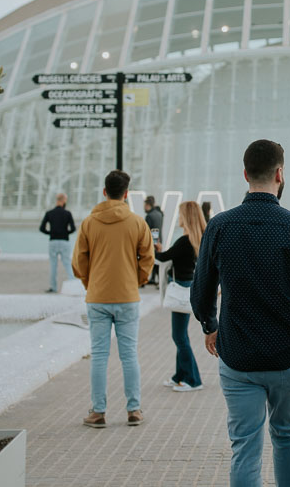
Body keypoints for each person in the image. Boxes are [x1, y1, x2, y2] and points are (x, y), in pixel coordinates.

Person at [191, 139, 290, 487]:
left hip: (238, 357)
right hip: (288, 357)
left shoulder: (219, 226)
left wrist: (209, 325)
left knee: (245, 446)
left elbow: (200, 293)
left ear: (245, 174)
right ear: (280, 174)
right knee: (287, 436)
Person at [71, 170, 155, 428]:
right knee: (129, 355)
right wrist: (136, 280)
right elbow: (148, 259)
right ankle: (134, 410)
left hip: (97, 296)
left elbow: (79, 261)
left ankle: (98, 412)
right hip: (128, 296)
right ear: (126, 194)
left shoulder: (89, 223)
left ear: (105, 192)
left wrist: (90, 282)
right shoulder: (137, 223)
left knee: (98, 355)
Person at [154, 201, 206, 391]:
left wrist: (154, 250)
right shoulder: (196, 239)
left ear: (186, 217)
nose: (178, 218)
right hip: (188, 286)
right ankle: (179, 375)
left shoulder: (184, 241)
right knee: (180, 334)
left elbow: (163, 258)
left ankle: (193, 379)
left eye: (180, 214)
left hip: (181, 288)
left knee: (179, 336)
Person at [39, 193, 76, 293]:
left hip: (53, 241)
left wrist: (51, 233)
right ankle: (73, 284)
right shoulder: (67, 213)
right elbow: (73, 229)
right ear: (64, 200)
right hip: (64, 241)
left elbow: (42, 228)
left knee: (53, 265)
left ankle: (53, 287)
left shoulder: (49, 213)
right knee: (67, 263)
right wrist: (65, 233)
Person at [144, 195, 165, 286]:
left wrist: (154, 242)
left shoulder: (149, 216)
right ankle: (155, 278)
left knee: (153, 259)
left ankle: (157, 279)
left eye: (145, 205)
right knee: (156, 259)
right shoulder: (159, 214)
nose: (144, 207)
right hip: (159, 239)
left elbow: (150, 230)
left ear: (148, 205)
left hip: (154, 240)